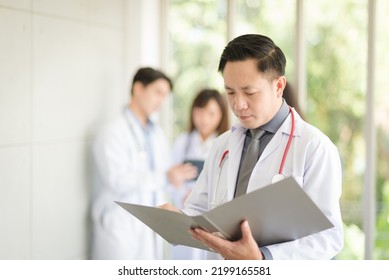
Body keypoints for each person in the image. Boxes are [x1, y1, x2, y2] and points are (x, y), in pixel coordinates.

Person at [161, 34, 343, 260]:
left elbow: (327, 237)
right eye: (230, 92)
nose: (238, 104)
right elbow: (199, 209)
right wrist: (178, 220)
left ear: (279, 86)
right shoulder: (222, 145)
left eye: (249, 92)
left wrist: (263, 259)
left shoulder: (314, 147)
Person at [91, 67, 197, 260]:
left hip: (149, 226)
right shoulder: (113, 132)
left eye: (165, 95)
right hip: (120, 225)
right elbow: (117, 180)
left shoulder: (156, 133)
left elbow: (164, 177)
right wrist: (165, 177)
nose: (161, 101)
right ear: (138, 89)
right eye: (158, 93)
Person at [170, 88, 230, 259]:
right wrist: (183, 193)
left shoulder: (226, 143)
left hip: (211, 215)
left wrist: (198, 195)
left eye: (211, 114)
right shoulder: (182, 142)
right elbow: (172, 179)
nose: (204, 119)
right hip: (184, 208)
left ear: (221, 115)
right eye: (199, 113)